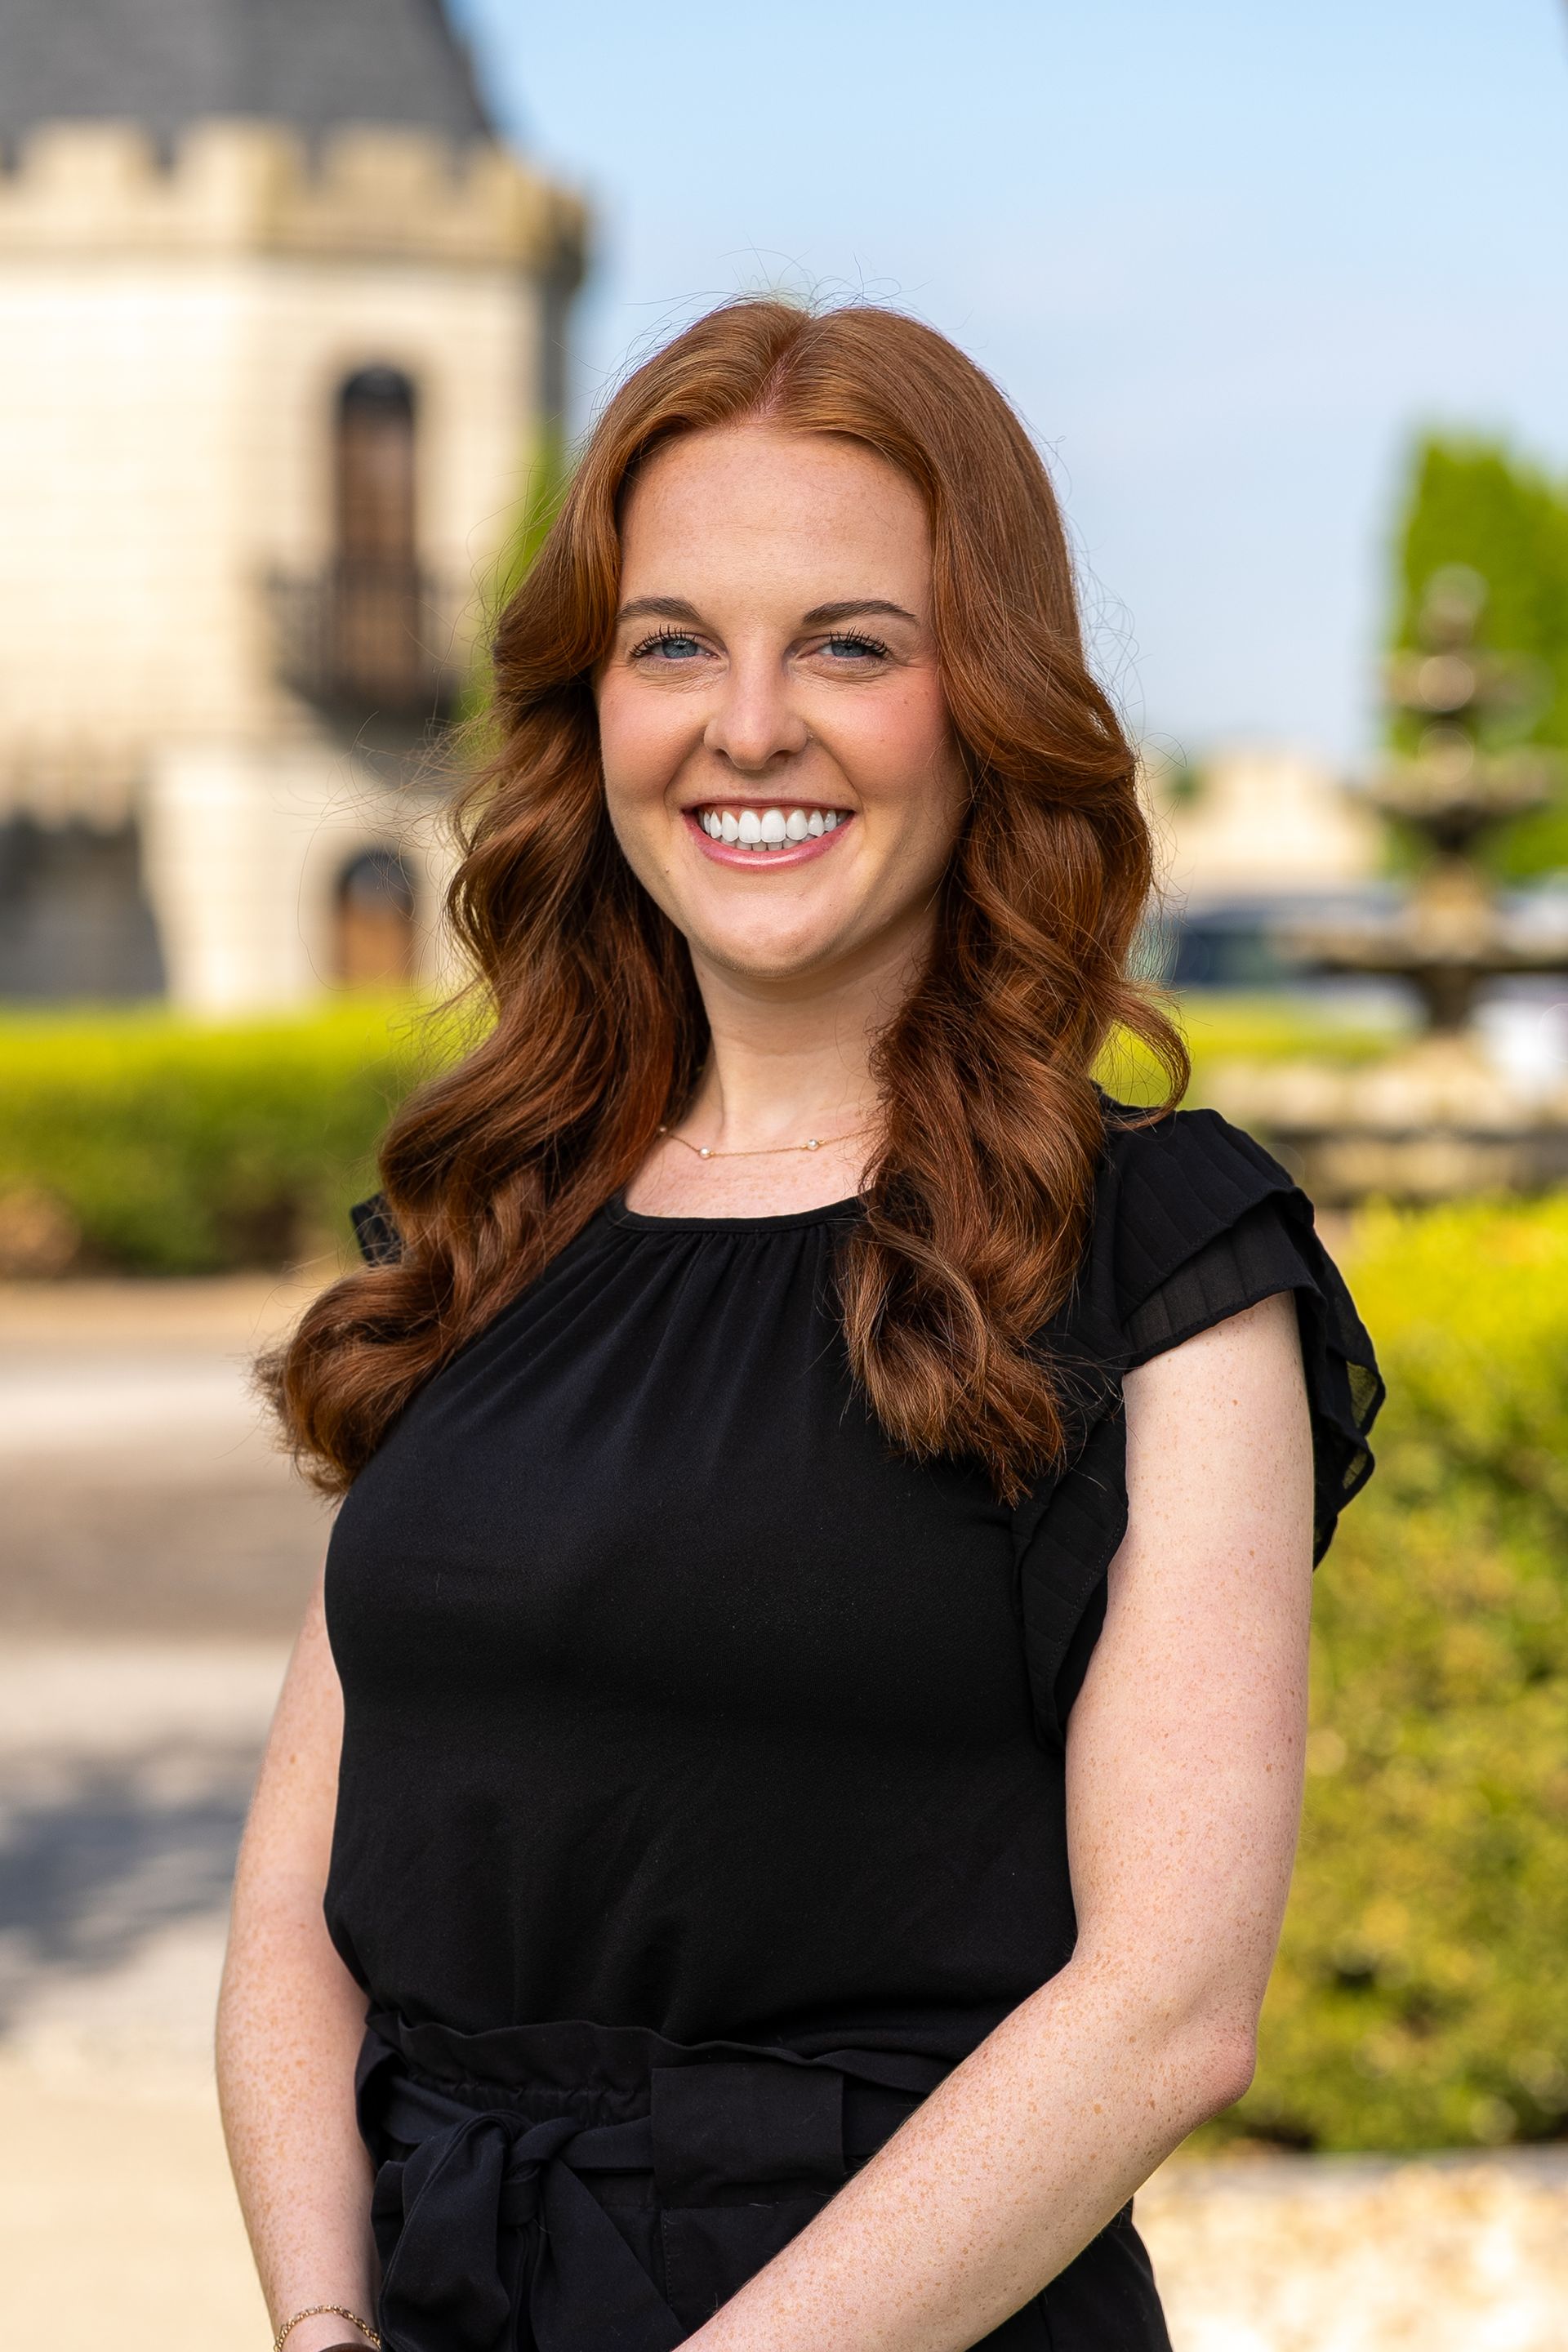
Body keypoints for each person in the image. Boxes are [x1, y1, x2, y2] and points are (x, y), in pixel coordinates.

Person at [220, 299, 1382, 2352]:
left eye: (850, 643)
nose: (748, 726)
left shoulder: (1162, 1262)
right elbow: (295, 1923)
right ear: (593, 709)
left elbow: (1166, 2014)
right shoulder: (477, 1230)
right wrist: (322, 2326)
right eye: (675, 643)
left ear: (986, 700)